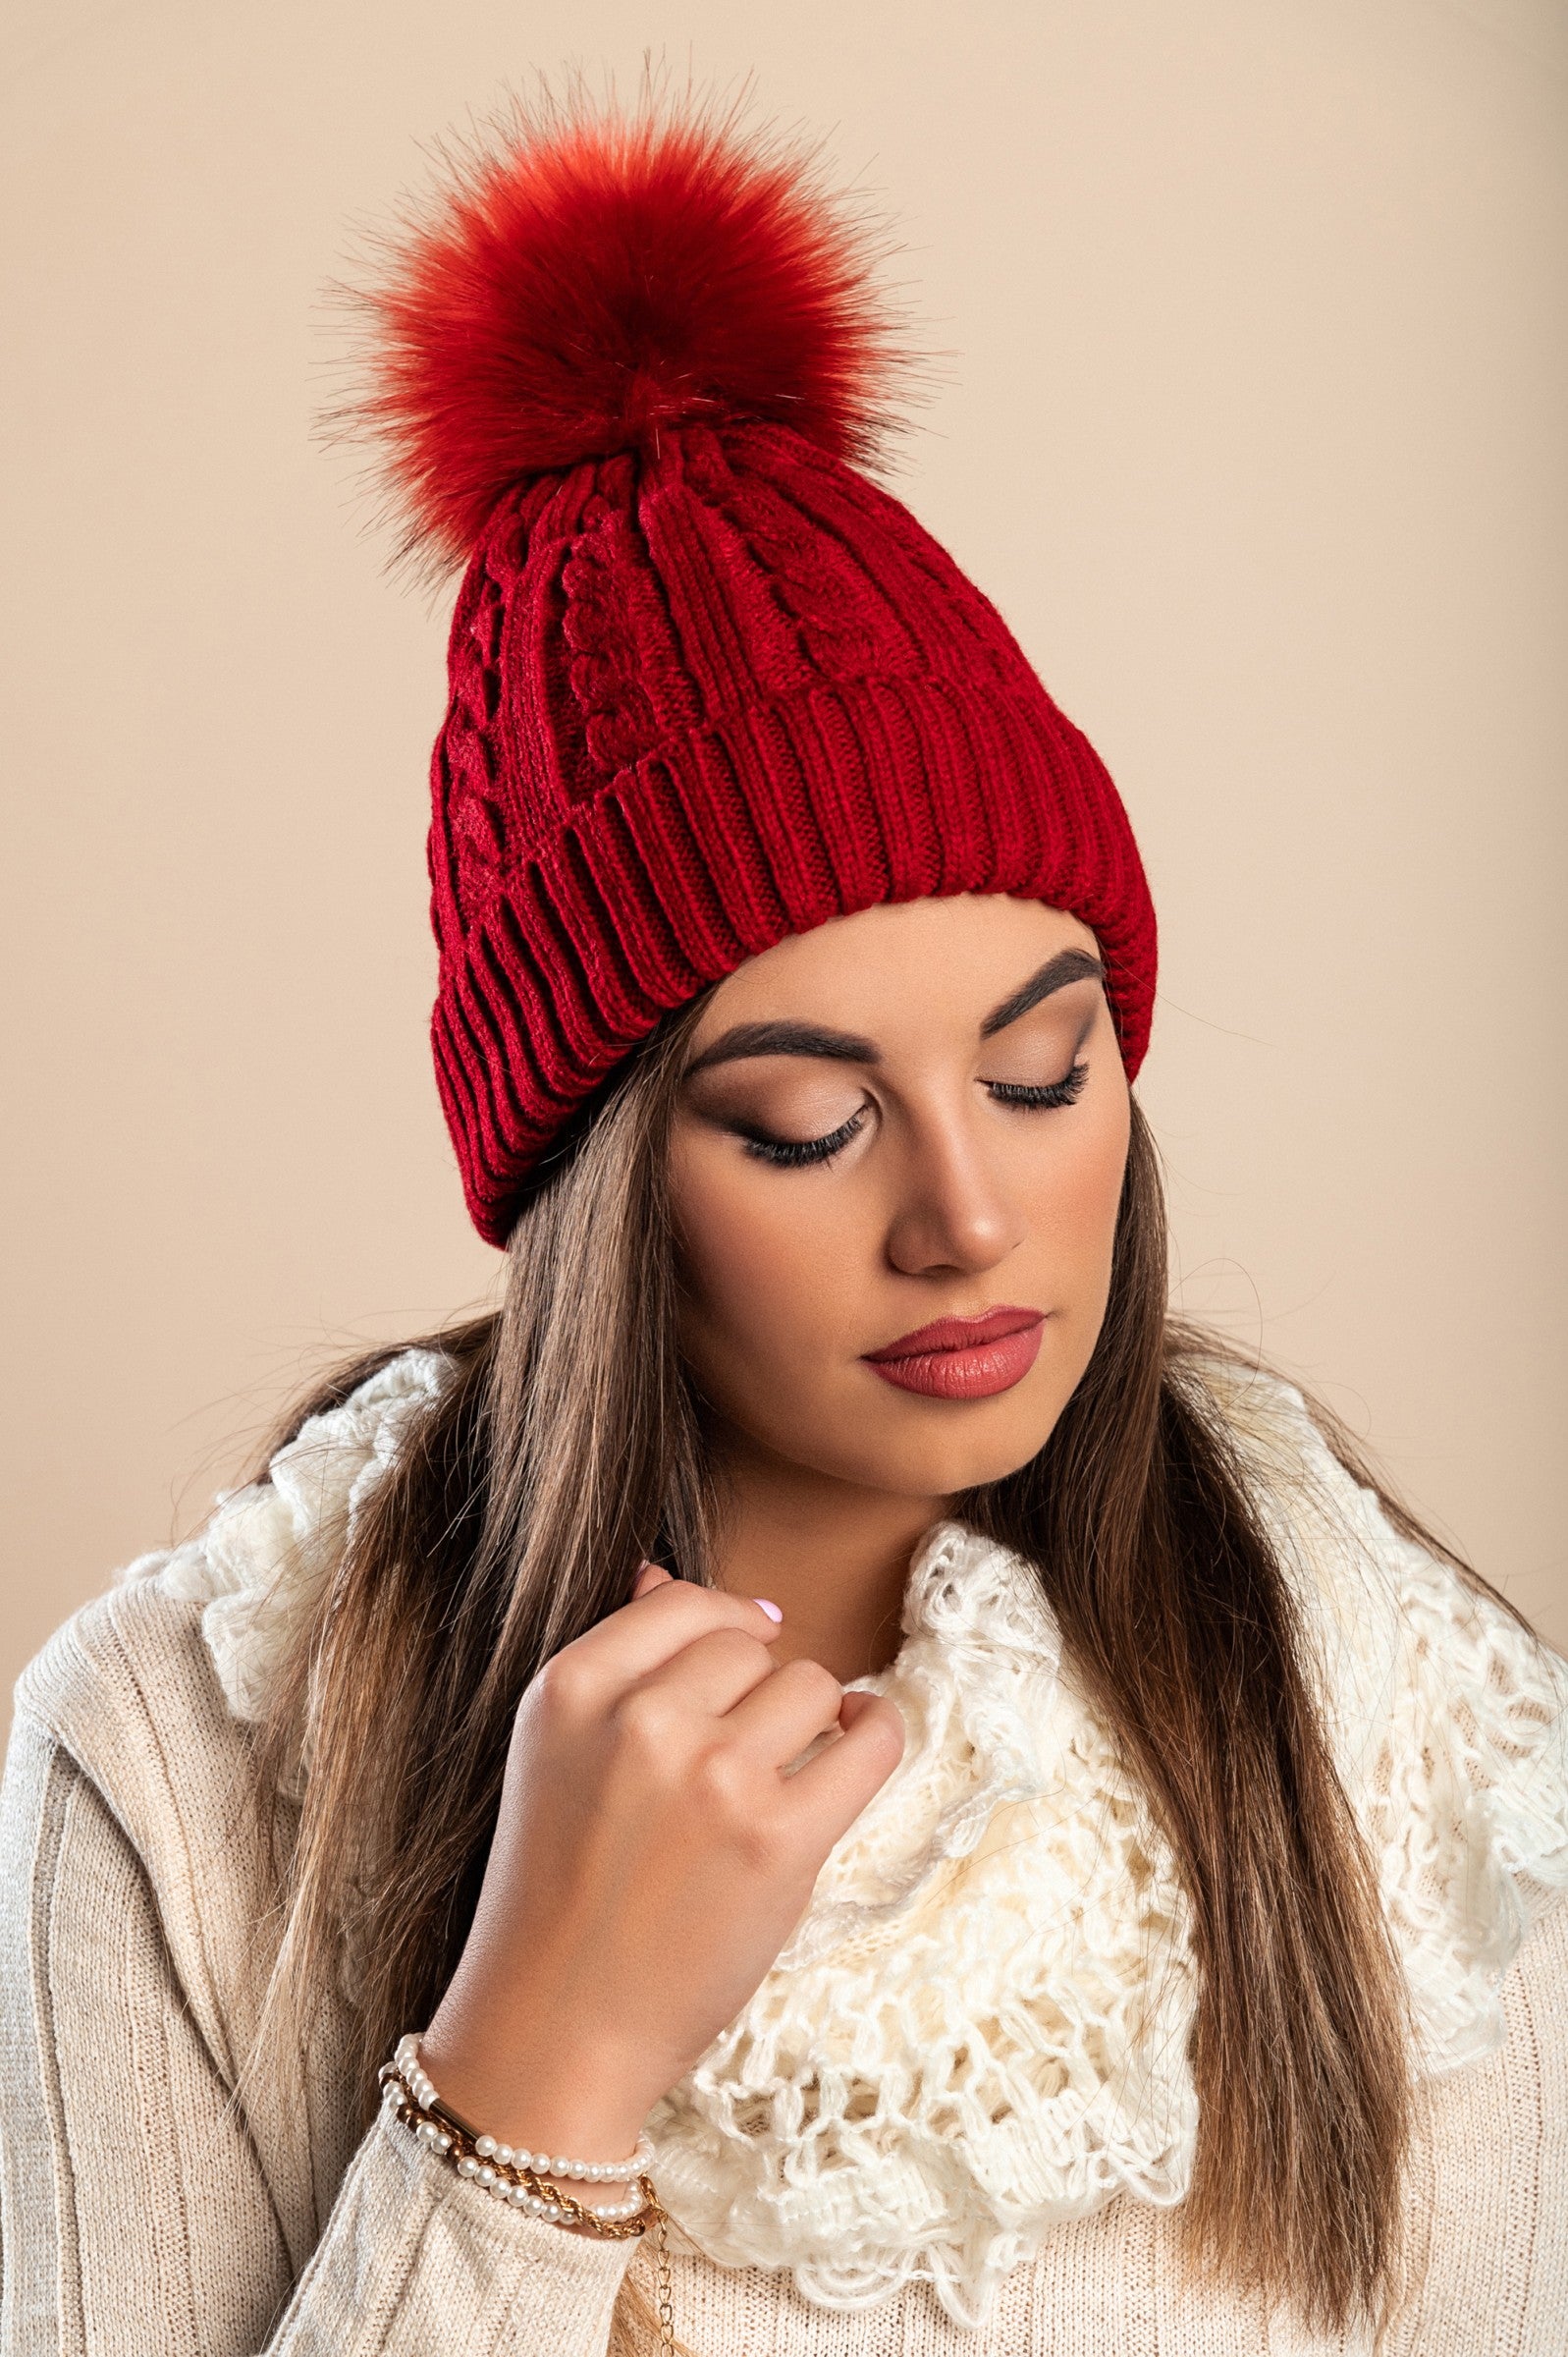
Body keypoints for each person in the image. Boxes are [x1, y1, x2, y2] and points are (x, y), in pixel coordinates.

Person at [2, 80, 1564, 2357]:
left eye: (1044, 1073)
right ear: (601, 1190)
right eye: (810, 1123)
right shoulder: (188, 1756)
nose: (969, 1212)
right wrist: (535, 2067)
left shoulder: (1399, 1719)